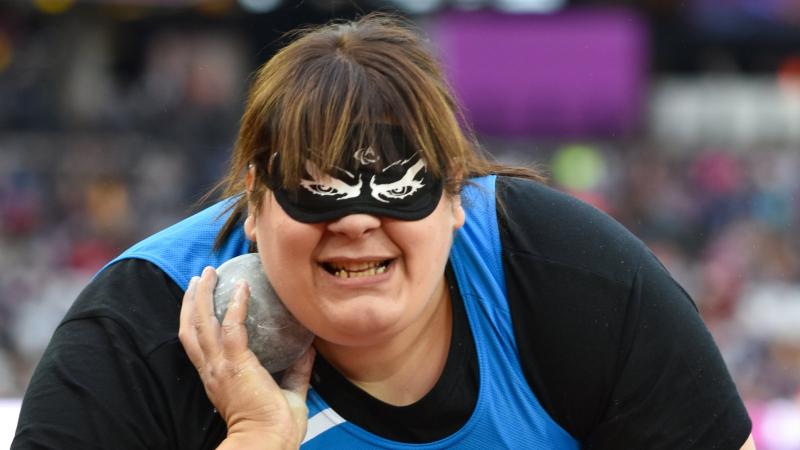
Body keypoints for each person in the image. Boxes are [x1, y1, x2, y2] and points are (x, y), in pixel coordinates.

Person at [13, 13, 755, 449]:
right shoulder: (136, 337)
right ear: (254, 196)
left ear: (457, 197)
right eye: (318, 185)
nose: (359, 220)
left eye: (399, 183)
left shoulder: (571, 284)